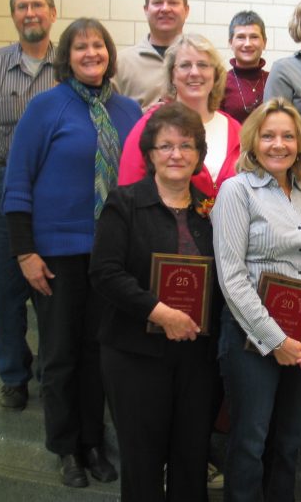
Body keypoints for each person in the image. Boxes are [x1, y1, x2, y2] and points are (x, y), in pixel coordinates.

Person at [2, 18, 141, 488]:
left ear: (109, 53)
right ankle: (66, 448)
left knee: (98, 353)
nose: (90, 54)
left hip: (111, 255)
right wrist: (25, 253)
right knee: (60, 355)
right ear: (67, 55)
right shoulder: (45, 109)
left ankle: (93, 442)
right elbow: (17, 181)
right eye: (80, 47)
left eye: (97, 46)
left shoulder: (128, 110)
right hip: (57, 254)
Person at [90, 102, 222, 502]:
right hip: (135, 354)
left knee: (192, 454)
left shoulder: (211, 210)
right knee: (142, 460)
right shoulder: (124, 203)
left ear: (199, 154)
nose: (176, 154)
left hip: (197, 356)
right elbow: (105, 274)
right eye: (165, 146)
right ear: (149, 153)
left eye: (186, 145)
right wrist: (162, 314)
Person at [211, 98, 301, 502]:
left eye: (287, 135)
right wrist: (275, 340)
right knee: (250, 441)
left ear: (300, 143)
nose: (278, 144)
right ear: (253, 141)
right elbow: (230, 276)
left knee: (289, 440)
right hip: (251, 338)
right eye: (268, 136)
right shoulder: (236, 190)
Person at [0, 0, 57, 410]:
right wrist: (6, 168)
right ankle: (13, 374)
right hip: (4, 186)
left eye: (38, 5)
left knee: (52, 285)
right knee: (4, 287)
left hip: (56, 190)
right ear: (14, 15)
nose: (30, 13)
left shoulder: (70, 64)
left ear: (52, 14)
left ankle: (50, 366)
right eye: (22, 6)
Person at [118, 33, 240, 198]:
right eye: (185, 65)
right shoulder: (150, 125)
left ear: (216, 74)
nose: (195, 72)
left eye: (203, 65)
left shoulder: (236, 131)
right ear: (172, 75)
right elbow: (128, 194)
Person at [113, 0, 190, 111]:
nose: (165, 8)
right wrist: (142, 117)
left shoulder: (202, 62)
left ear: (186, 10)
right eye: (158, 2)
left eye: (173, 2)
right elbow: (110, 118)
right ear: (146, 9)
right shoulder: (120, 63)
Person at [220, 10, 270, 124]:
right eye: (241, 37)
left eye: (254, 37)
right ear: (230, 43)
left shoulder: (274, 80)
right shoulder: (220, 83)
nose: (247, 44)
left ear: (264, 43)